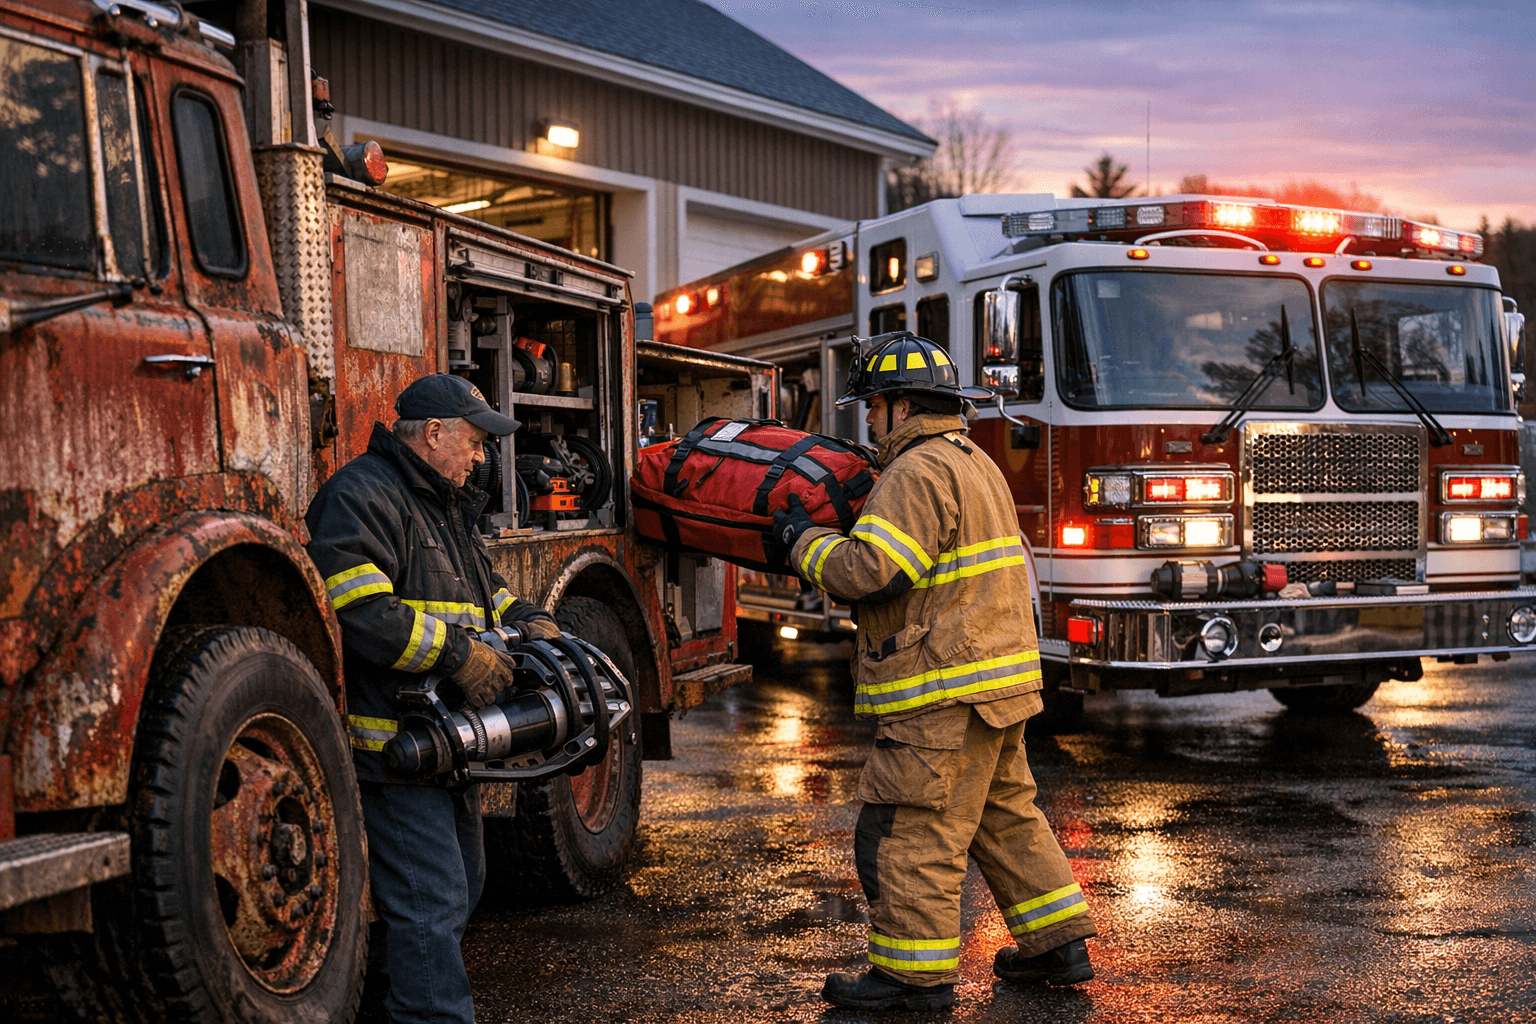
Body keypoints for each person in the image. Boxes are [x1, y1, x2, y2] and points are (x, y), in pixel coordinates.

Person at [773, 333, 1098, 1012]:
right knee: (1003, 816)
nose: (866, 419)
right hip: (996, 685)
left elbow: (871, 571)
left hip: (943, 692)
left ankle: (909, 981)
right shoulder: (972, 459)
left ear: (899, 406)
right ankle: (1057, 944)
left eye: (871, 405)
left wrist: (800, 542)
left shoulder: (915, 472)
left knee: (907, 829)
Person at [305, 373, 560, 1024]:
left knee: (464, 884)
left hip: (450, 739)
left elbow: (483, 597)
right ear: (435, 433)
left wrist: (529, 620)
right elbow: (361, 612)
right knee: (431, 901)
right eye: (474, 443)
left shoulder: (442, 505)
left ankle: (392, 1004)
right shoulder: (360, 497)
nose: (481, 458)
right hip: (397, 743)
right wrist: (459, 655)